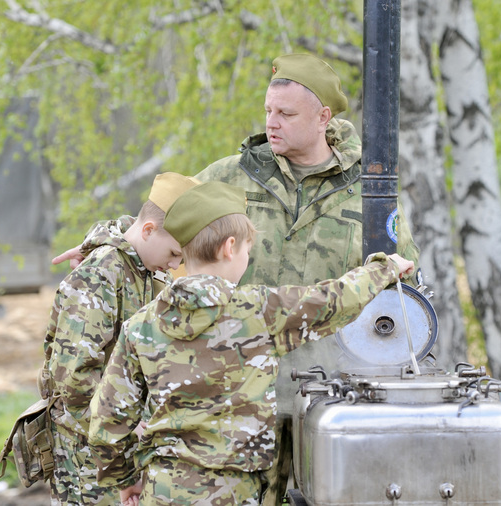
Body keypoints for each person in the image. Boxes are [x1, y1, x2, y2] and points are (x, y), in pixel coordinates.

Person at [53, 53, 421, 504]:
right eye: (268, 110)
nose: (272, 122)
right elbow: (162, 223)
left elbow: (404, 273)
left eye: (285, 114)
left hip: (327, 399)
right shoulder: (232, 175)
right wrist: (107, 244)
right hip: (234, 407)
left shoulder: (369, 189)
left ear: (324, 117)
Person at [87, 181, 415, 505]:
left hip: (163, 488)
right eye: (247, 250)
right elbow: (334, 299)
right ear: (230, 247)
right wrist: (384, 269)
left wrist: (124, 480)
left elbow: (107, 419)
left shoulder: (140, 326)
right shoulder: (259, 310)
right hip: (235, 491)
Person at [38, 172, 200, 506]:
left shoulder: (142, 266)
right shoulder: (101, 273)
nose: (174, 266)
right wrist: (123, 437)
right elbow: (75, 380)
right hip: (91, 461)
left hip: (120, 449)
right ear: (148, 230)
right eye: (173, 254)